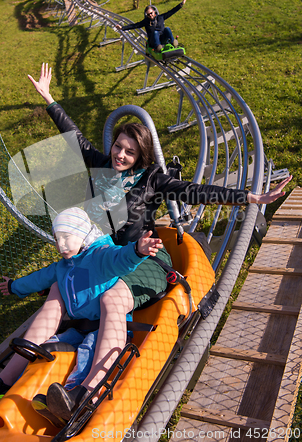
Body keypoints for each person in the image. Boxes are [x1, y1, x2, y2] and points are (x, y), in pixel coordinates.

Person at [23, 63, 292, 421]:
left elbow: (194, 191)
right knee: (64, 290)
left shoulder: (151, 179)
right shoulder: (104, 167)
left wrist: (248, 198)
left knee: (112, 297)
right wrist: (48, 98)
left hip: (147, 258)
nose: (120, 155)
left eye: (129, 152)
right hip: (112, 258)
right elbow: (77, 140)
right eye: (118, 147)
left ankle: (88, 394)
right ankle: (19, 379)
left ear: (141, 156)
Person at [0, 207, 163, 424]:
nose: (61, 244)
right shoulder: (62, 267)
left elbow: (119, 258)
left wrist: (138, 251)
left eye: (66, 237)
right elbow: (37, 279)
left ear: (82, 234)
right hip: (77, 328)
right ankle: (1, 393)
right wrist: (13, 286)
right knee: (45, 347)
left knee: (87, 353)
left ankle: (76, 396)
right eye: (57, 239)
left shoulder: (99, 255)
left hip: (103, 328)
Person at [116, 0, 189, 52]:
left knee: (167, 29)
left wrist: (181, 4)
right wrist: (122, 28)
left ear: (154, 12)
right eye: (148, 14)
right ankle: (158, 48)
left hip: (162, 39)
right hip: (153, 41)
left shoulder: (160, 17)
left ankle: (173, 43)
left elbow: (171, 12)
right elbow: (135, 25)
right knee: (155, 33)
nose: (150, 15)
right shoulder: (146, 22)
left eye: (151, 13)